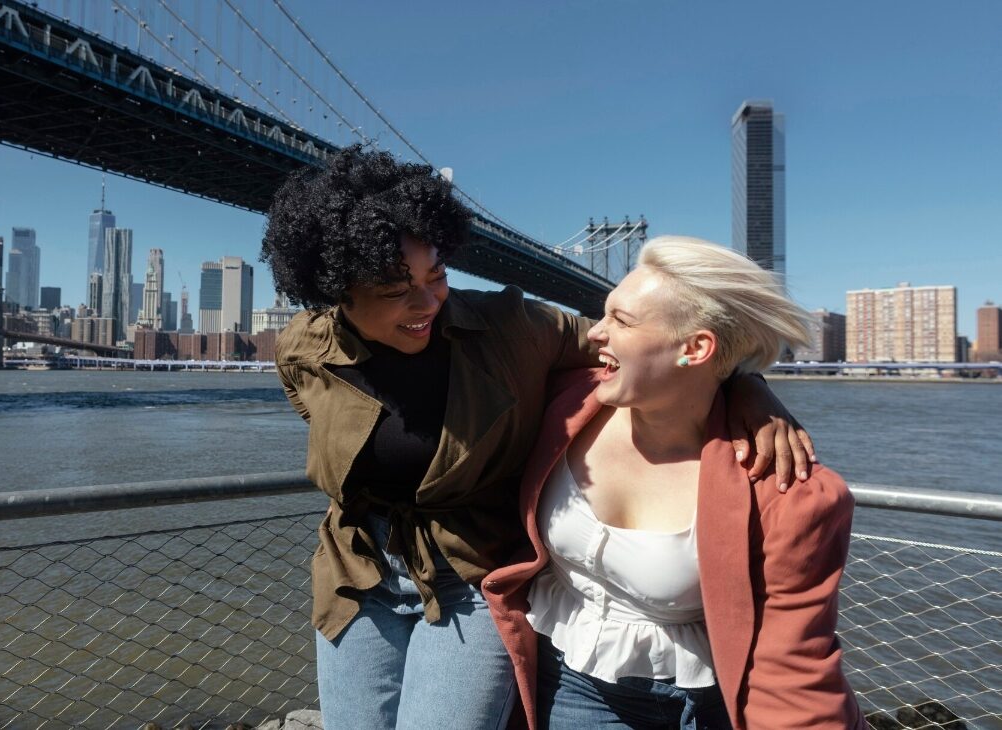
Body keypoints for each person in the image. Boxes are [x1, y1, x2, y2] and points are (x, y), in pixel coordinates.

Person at [262, 148, 816, 730]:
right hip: (358, 575)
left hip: (467, 578)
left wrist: (748, 387)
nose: (426, 303)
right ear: (339, 291)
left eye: (437, 277)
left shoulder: (508, 329)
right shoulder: (302, 349)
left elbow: (644, 350)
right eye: (396, 289)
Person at [484, 236, 866, 730]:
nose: (595, 333)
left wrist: (748, 382)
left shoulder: (784, 490)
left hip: (703, 705)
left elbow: (792, 670)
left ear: (695, 348)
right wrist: (748, 383)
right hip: (566, 682)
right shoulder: (563, 403)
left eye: (621, 320)